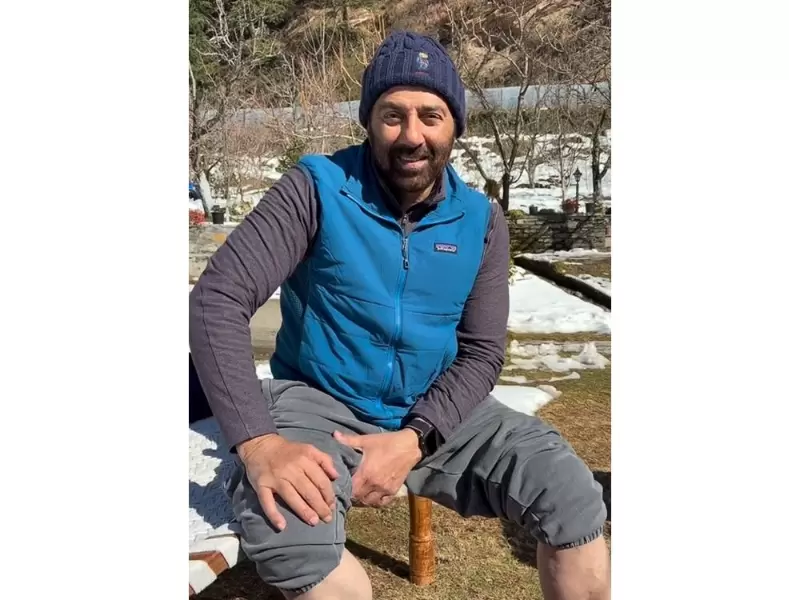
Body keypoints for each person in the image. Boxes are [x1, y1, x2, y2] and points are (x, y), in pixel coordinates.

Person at [189, 30, 609, 600]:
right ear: (368, 120)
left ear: (455, 125)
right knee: (292, 531)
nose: (412, 136)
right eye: (393, 115)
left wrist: (415, 437)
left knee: (572, 495)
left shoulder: (480, 220)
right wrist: (259, 443)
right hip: (318, 402)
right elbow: (218, 298)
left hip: (435, 406)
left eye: (431, 115)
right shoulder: (316, 189)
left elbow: (482, 351)